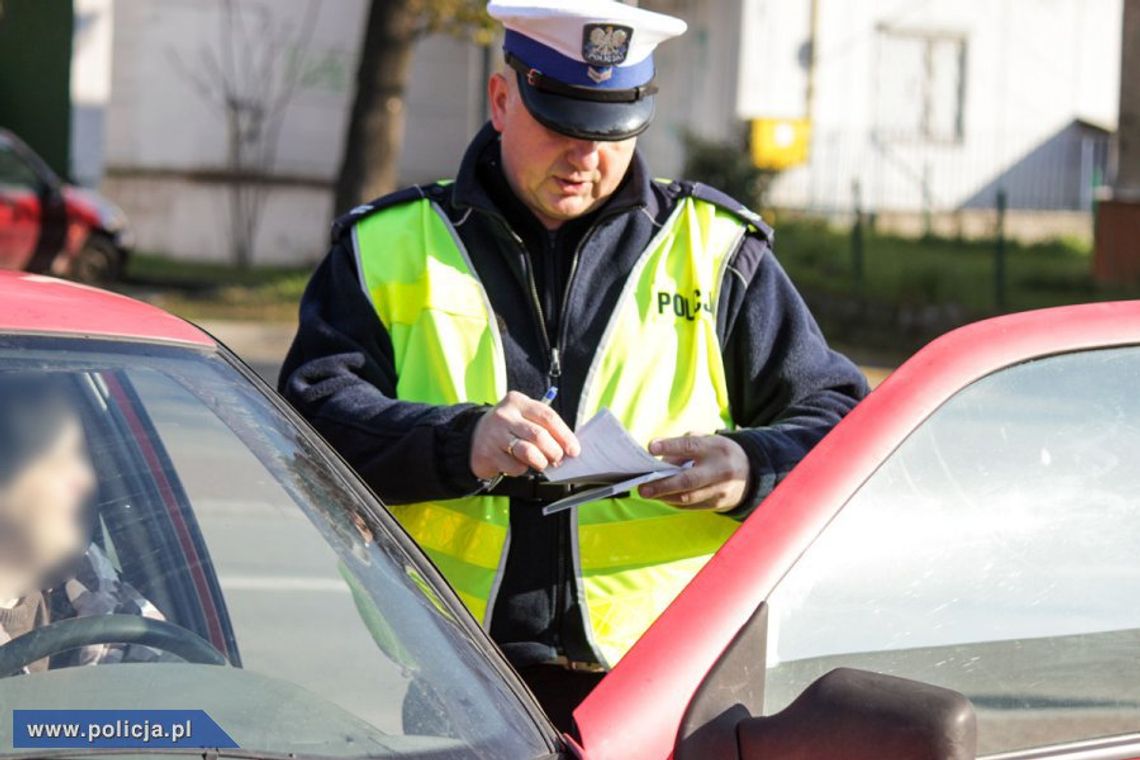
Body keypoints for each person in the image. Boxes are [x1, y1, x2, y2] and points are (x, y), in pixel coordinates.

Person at [280, 0, 868, 731]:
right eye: (562, 125)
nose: (588, 155)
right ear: (502, 99)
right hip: (464, 678)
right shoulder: (386, 246)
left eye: (614, 131)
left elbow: (843, 419)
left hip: (676, 685)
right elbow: (308, 426)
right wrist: (459, 443)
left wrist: (752, 468)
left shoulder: (717, 254)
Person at [0, 375, 164, 673]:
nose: (84, 481)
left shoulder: (89, 581)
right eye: (55, 459)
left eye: (81, 457)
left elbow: (177, 680)